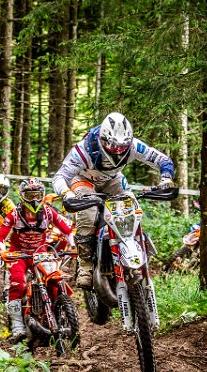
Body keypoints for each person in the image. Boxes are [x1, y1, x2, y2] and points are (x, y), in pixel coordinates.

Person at [52, 112, 175, 288]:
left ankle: (134, 247)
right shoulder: (83, 150)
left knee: (131, 205)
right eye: (112, 145)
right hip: (83, 179)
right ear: (102, 140)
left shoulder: (134, 146)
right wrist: (67, 193)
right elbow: (60, 176)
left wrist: (166, 178)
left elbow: (161, 159)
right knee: (88, 212)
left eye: (122, 146)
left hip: (112, 178)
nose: (117, 150)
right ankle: (85, 265)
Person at [0, 178, 75, 342]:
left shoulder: (48, 212)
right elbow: (1, 237)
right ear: (22, 195)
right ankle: (17, 327)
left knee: (54, 280)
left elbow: (67, 230)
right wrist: (2, 250)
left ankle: (55, 314)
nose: (34, 199)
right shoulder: (15, 214)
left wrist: (73, 245)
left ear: (42, 195)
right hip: (19, 254)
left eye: (37, 195)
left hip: (40, 253)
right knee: (17, 283)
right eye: (30, 195)